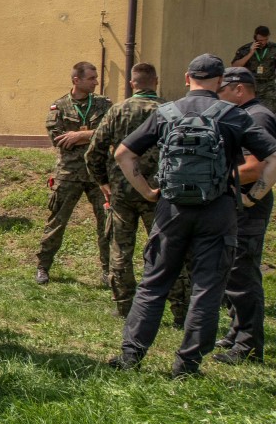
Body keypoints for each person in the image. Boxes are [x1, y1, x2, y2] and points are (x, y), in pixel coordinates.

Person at [108, 54, 276, 378]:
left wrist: (146, 190)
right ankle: (187, 366)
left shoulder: (167, 113)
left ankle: (131, 357)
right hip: (218, 210)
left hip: (171, 209)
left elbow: (123, 153)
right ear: (219, 81)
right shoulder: (232, 115)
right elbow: (271, 159)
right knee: (207, 288)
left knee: (153, 284)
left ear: (187, 78)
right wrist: (252, 197)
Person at [84, 64, 188, 323]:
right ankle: (180, 309)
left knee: (121, 249)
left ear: (132, 84)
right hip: (162, 191)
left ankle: (124, 306)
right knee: (169, 249)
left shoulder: (117, 111)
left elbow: (93, 152)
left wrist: (104, 182)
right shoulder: (171, 111)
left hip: (123, 191)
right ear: (156, 81)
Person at [214, 67, 276, 364]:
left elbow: (256, 166)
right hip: (240, 202)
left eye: (221, 90)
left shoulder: (256, 117)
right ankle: (236, 332)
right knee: (233, 271)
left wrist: (216, 178)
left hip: (248, 205)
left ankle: (248, 347)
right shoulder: (247, 114)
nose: (218, 96)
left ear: (239, 89)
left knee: (243, 274)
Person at [36, 61, 112, 285]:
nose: (96, 82)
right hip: (69, 173)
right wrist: (95, 134)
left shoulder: (104, 104)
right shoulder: (58, 107)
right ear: (76, 80)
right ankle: (43, 266)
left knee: (107, 223)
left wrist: (81, 136)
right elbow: (58, 139)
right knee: (56, 221)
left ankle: (109, 270)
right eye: (91, 78)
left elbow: (113, 131)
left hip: (99, 174)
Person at [230, 25, 275, 111]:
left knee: (268, 113)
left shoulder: (273, 48)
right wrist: (250, 53)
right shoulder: (245, 49)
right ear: (255, 37)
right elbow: (235, 66)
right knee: (250, 111)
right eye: (261, 40)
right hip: (251, 86)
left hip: (268, 88)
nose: (263, 42)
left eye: (266, 40)